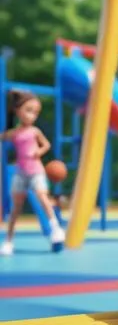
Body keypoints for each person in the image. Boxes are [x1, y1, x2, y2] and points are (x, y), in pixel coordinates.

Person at [0, 90, 65, 256]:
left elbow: (46, 144)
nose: (32, 115)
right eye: (29, 110)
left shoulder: (35, 131)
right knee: (16, 209)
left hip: (36, 170)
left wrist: (39, 151)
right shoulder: (14, 133)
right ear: (17, 110)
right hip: (20, 172)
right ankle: (8, 240)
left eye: (35, 112)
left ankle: (56, 228)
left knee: (43, 198)